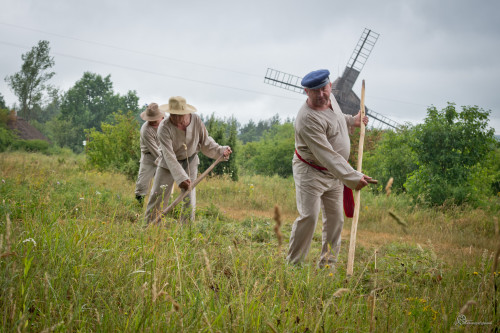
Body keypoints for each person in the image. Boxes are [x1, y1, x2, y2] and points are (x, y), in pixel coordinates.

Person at [286, 69, 372, 270]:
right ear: (307, 92)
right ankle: (294, 265)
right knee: (309, 216)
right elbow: (327, 155)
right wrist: (352, 177)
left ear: (330, 85)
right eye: (315, 91)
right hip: (311, 172)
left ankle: (327, 267)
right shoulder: (307, 119)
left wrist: (353, 120)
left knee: (335, 220)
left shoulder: (331, 97)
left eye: (324, 89)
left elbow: (337, 119)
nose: (321, 95)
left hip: (335, 174)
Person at [144, 96, 232, 224]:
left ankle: (186, 229)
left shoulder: (195, 120)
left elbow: (205, 141)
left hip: (190, 160)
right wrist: (181, 178)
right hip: (168, 162)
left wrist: (221, 150)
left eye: (179, 114)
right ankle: (149, 226)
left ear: (186, 112)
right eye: (172, 114)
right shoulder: (164, 127)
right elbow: (169, 156)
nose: (175, 117)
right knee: (158, 194)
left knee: (189, 197)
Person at [134, 103, 164, 205]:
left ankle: (162, 207)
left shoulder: (167, 123)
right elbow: (155, 151)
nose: (152, 122)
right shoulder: (146, 130)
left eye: (154, 120)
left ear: (161, 117)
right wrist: (169, 163)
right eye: (150, 120)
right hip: (149, 156)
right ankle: (138, 206)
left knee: (164, 185)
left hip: (165, 154)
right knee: (142, 184)